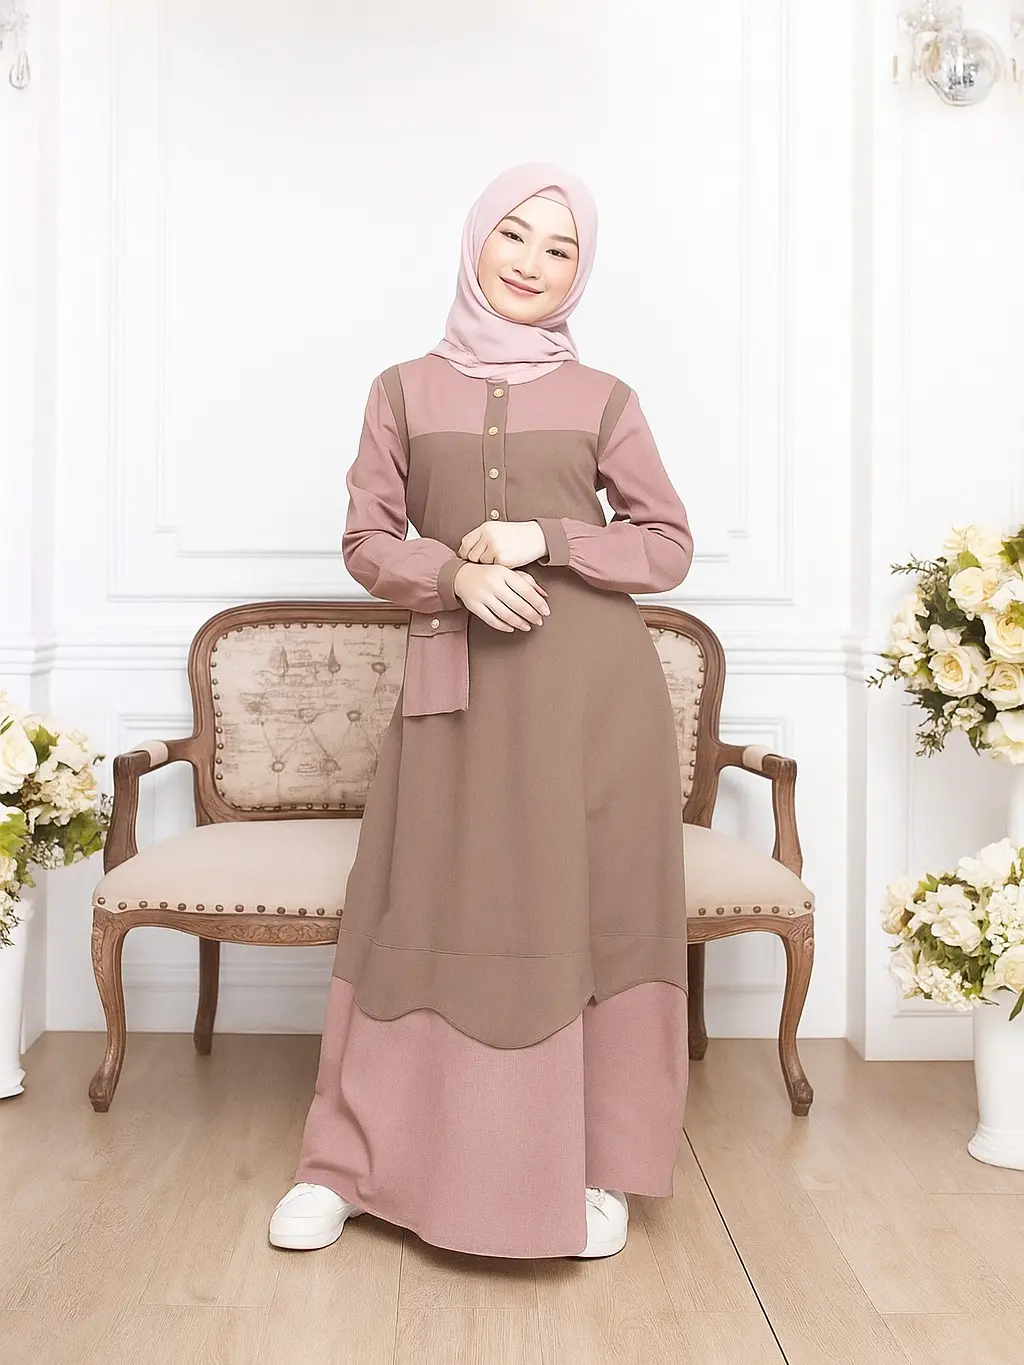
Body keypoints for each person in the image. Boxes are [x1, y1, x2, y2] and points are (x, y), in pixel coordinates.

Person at [268, 162, 694, 1260]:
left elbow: (667, 544)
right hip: (453, 690)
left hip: (590, 700)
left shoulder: (605, 398)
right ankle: (352, 1162)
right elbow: (367, 540)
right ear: (475, 240)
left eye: (561, 248)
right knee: (421, 903)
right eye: (514, 234)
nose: (532, 262)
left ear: (581, 271)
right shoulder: (403, 391)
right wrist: (452, 575)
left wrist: (548, 538)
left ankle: (595, 1162)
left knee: (585, 911)